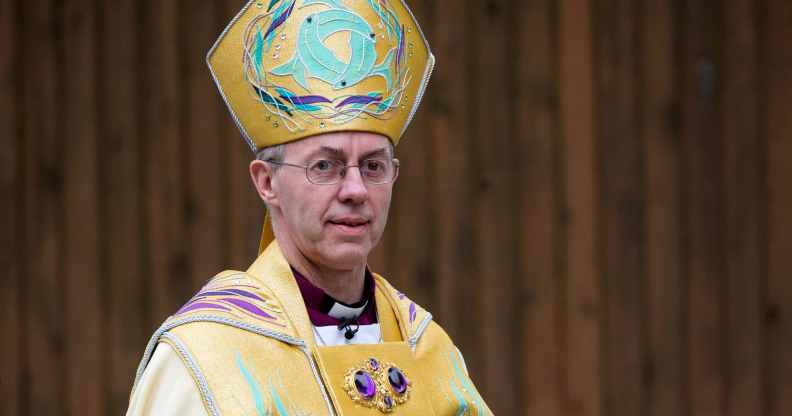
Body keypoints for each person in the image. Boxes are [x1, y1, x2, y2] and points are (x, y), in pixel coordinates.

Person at [127, 0, 491, 414]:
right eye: (326, 166)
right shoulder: (207, 356)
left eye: (373, 166)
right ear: (267, 183)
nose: (355, 189)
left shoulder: (427, 348)